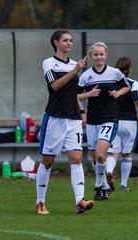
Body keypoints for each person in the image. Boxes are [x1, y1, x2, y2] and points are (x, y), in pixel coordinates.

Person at [36, 29, 94, 215]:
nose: (69, 43)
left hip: (73, 119)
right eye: (65, 40)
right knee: (47, 161)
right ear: (56, 42)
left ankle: (80, 201)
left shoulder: (73, 63)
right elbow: (55, 86)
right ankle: (40, 202)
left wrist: (82, 111)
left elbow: (72, 93)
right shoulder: (49, 63)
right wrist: (76, 70)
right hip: (55, 118)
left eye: (71, 40)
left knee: (76, 159)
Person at [78, 42, 130, 201]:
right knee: (95, 158)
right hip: (93, 120)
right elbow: (75, 96)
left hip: (110, 118)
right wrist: (89, 95)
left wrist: (118, 93)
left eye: (102, 54)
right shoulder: (86, 75)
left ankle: (99, 185)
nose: (99, 57)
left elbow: (126, 87)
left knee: (101, 155)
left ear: (106, 55)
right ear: (91, 56)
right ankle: (103, 185)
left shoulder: (115, 73)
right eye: (96, 54)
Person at [105, 57, 138, 191]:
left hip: (114, 121)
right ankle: (123, 184)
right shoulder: (133, 83)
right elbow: (136, 100)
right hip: (130, 123)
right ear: (130, 69)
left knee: (113, 153)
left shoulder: (111, 83)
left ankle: (109, 171)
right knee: (127, 154)